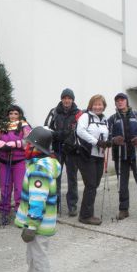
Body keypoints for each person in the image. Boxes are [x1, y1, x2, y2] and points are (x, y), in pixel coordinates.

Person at [13, 126, 61, 272]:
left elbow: (37, 200)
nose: (26, 147)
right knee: (32, 258)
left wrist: (31, 226)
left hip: (38, 225)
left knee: (39, 258)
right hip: (37, 224)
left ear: (37, 148)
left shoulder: (39, 169)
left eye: (30, 144)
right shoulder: (39, 165)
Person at [107, 93, 137, 220]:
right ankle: (123, 209)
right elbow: (107, 136)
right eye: (117, 101)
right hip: (120, 156)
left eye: (122, 100)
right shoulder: (112, 119)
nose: (120, 102)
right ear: (115, 103)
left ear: (126, 102)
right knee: (122, 183)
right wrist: (114, 139)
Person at [0, 105, 31, 226]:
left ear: (20, 115)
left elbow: (30, 141)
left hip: (19, 162)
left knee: (19, 188)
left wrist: (15, 144)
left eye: (15, 113)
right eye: (11, 113)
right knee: (5, 187)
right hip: (4, 162)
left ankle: (20, 213)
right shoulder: (3, 126)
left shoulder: (24, 126)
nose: (13, 116)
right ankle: (4, 212)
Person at [44, 88, 81, 216]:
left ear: (72, 99)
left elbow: (79, 131)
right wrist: (56, 135)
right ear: (61, 99)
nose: (67, 100)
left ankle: (72, 206)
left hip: (71, 150)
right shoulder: (54, 112)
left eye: (69, 98)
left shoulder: (79, 114)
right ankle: (55, 204)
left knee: (72, 178)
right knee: (55, 178)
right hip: (57, 149)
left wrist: (67, 138)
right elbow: (47, 128)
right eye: (64, 98)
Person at [75, 94, 110, 225]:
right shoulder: (85, 117)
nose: (97, 107)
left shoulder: (105, 120)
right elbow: (81, 132)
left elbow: (105, 137)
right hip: (86, 155)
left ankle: (87, 213)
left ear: (104, 106)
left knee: (94, 185)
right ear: (91, 105)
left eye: (100, 104)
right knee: (90, 185)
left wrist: (108, 143)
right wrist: (97, 142)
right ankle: (85, 216)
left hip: (99, 156)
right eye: (95, 104)